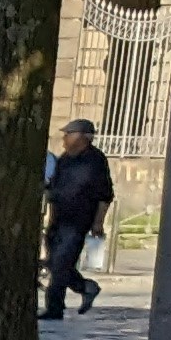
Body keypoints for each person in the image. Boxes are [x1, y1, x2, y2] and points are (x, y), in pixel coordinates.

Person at [43, 118, 114, 320]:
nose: (64, 139)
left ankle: (55, 308)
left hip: (77, 222)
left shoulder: (95, 161)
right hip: (58, 219)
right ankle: (85, 287)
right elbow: (54, 184)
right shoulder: (65, 159)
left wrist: (98, 222)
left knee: (60, 263)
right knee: (54, 262)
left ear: (83, 137)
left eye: (68, 134)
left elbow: (105, 194)